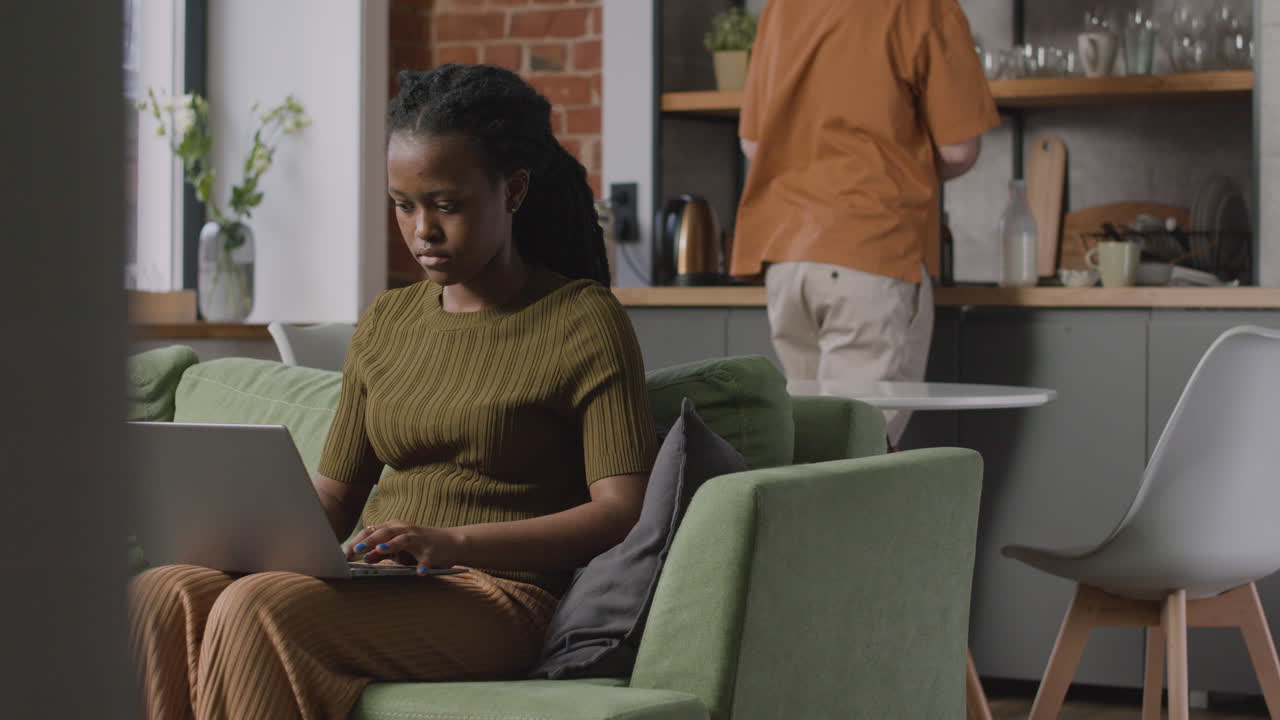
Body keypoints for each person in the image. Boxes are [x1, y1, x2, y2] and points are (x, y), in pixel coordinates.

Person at [128, 64, 659, 720]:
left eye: (446, 204)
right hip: (384, 580)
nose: (421, 232)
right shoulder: (388, 321)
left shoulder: (582, 319)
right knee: (162, 590)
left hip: (502, 594)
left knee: (257, 609)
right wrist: (237, 543)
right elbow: (333, 497)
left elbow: (621, 512)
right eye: (403, 205)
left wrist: (455, 543)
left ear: (512, 190)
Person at [730, 0, 1000, 445]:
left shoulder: (782, 7)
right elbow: (958, 149)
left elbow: (752, 143)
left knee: (809, 445)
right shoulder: (923, 6)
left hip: (788, 260)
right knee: (856, 453)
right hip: (870, 250)